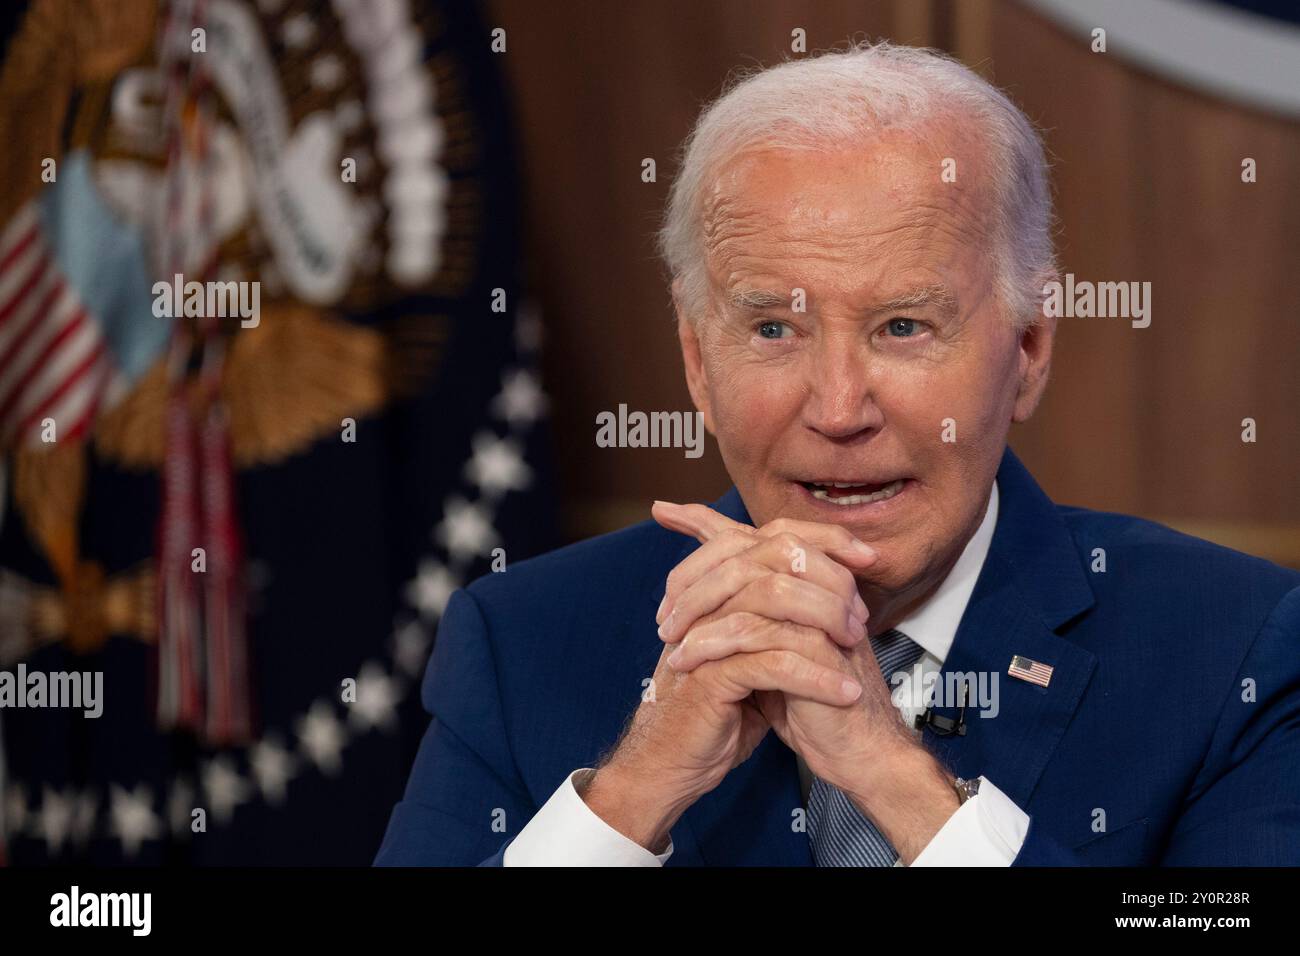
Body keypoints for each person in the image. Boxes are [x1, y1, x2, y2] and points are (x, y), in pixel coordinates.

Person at [375, 42, 1300, 866]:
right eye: (773, 327)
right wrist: (631, 797)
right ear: (698, 361)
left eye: (904, 326)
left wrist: (892, 774)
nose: (839, 408)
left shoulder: (1233, 652)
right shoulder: (523, 643)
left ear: (1028, 350)